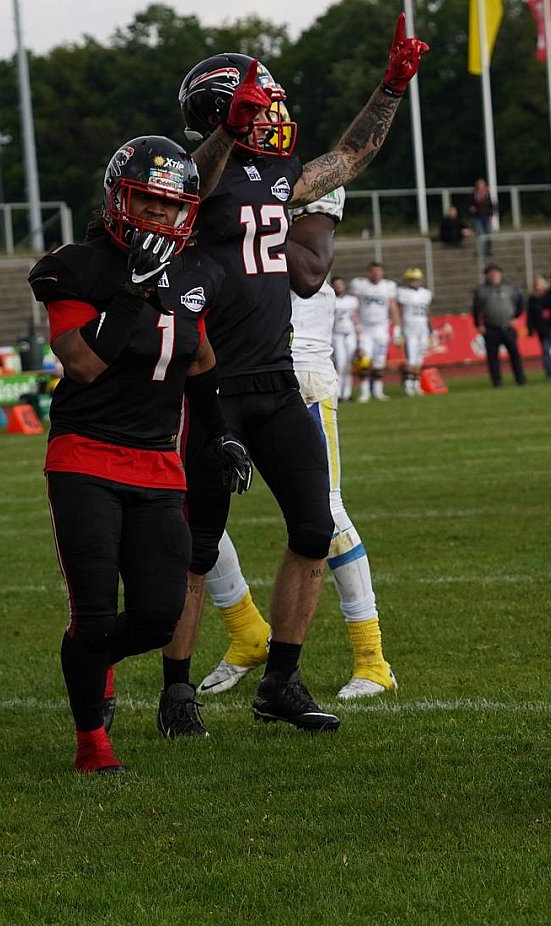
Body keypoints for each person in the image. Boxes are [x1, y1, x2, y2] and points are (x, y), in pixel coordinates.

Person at [158, 16, 427, 737]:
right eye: (257, 104)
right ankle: (176, 690)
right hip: (210, 387)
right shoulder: (190, 175)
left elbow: (350, 156)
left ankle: (281, 679)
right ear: (221, 112)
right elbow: (189, 186)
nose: (272, 113)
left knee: (313, 526)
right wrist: (226, 132)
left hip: (277, 383)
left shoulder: (278, 174)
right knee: (198, 545)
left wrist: (390, 88)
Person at [27, 135, 251, 773]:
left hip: (158, 461)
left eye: (168, 204)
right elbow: (83, 363)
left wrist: (220, 431)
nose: (157, 213)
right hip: (86, 455)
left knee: (157, 616)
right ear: (116, 199)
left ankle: (91, 659)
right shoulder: (76, 266)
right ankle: (92, 745)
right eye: (145, 200)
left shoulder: (195, 272)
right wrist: (130, 291)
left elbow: (199, 358)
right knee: (95, 613)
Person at [198, 189, 398, 701]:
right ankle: (245, 629)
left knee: (325, 514)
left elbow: (308, 273)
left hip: (298, 369)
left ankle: (372, 658)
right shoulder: (225, 176)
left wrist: (249, 214)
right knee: (191, 510)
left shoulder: (301, 182)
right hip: (227, 369)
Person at [471, 263, 526, 387]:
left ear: (500, 274)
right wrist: (478, 324)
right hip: (491, 327)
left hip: (508, 326)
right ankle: (496, 381)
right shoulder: (481, 290)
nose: (493, 275)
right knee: (492, 356)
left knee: (515, 354)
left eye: (495, 273)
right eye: (490, 273)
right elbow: (475, 309)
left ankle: (520, 378)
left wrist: (516, 317)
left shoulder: (510, 287)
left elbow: (520, 302)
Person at [350, 261, 397, 401]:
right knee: (364, 360)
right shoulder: (360, 284)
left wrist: (397, 328)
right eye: (373, 271)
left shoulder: (388, 286)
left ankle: (378, 390)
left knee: (379, 361)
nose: (376, 274)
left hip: (381, 328)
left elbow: (393, 307)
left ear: (382, 272)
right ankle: (364, 391)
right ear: (369, 272)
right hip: (365, 328)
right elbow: (353, 306)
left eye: (378, 271)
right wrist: (356, 325)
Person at [397, 266, 433, 395]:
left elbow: (427, 311)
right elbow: (398, 311)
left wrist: (431, 328)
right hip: (409, 327)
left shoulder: (426, 293)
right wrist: (398, 329)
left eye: (416, 279)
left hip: (422, 327)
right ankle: (408, 385)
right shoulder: (402, 292)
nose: (414, 281)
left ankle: (416, 384)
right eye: (411, 279)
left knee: (420, 358)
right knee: (411, 358)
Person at [329, 277, 358, 402]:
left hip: (350, 333)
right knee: (340, 364)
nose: (339, 287)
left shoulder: (351, 300)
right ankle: (338, 393)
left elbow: (355, 317)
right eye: (336, 285)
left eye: (340, 284)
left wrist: (359, 332)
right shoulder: (330, 300)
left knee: (349, 364)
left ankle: (347, 392)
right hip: (337, 334)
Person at [526, 274, 551, 380]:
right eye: (535, 284)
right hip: (542, 329)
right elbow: (530, 315)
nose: (537, 286)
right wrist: (530, 328)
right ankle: (550, 373)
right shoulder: (532, 299)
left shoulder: (550, 296)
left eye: (538, 284)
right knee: (546, 352)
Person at [469, 178, 495, 257]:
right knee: (480, 234)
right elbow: (470, 205)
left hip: (486, 217)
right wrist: (472, 209)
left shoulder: (487, 195)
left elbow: (491, 206)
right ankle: (480, 251)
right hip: (478, 218)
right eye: (480, 185)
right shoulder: (474, 195)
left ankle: (488, 250)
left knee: (489, 234)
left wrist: (491, 214)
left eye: (483, 185)